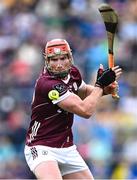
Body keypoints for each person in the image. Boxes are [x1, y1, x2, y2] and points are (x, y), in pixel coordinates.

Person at [24, 38, 122, 179]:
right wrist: (100, 85)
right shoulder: (48, 84)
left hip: (66, 148)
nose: (58, 64)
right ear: (47, 61)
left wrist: (105, 89)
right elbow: (85, 110)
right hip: (41, 147)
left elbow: (84, 92)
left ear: (70, 57)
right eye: (53, 60)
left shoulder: (73, 73)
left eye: (62, 58)